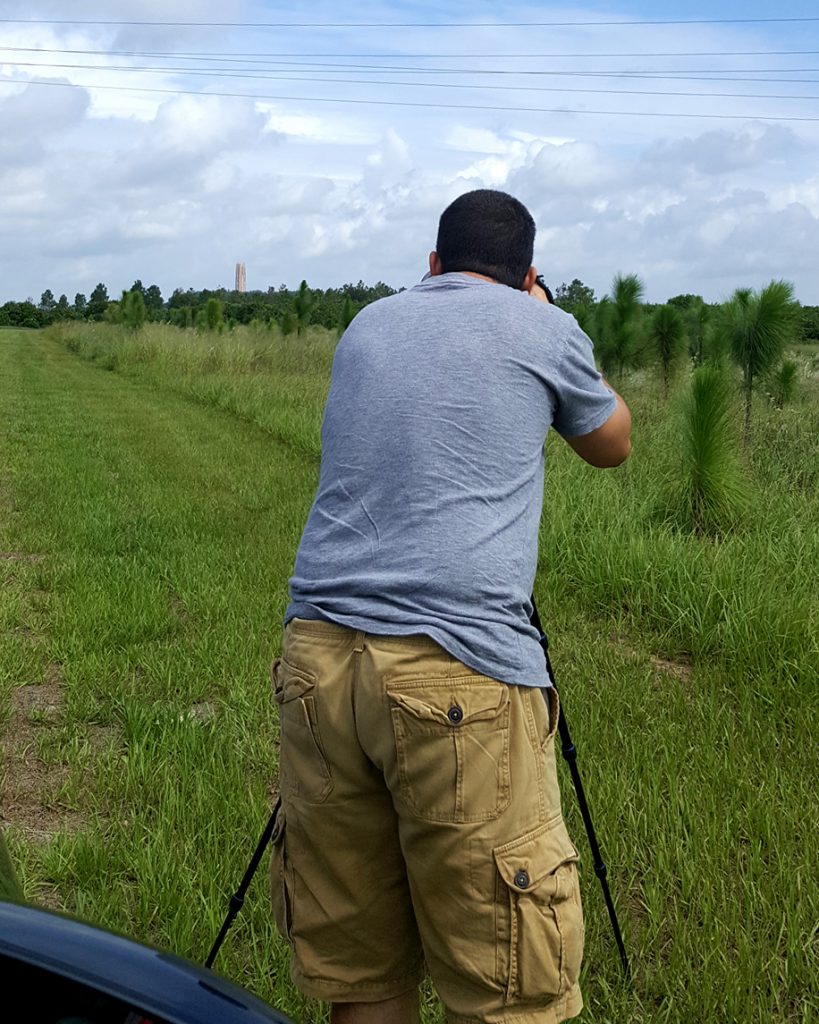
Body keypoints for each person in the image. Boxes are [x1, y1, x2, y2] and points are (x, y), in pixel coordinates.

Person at [271, 189, 632, 1024]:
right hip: (455, 674)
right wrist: (547, 314)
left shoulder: (367, 324)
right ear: (527, 274)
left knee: (361, 973)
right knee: (506, 986)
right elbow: (610, 443)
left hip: (317, 660)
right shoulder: (544, 325)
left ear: (431, 265)